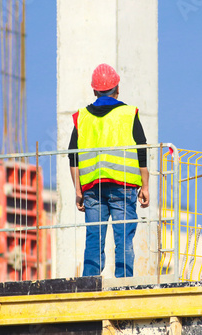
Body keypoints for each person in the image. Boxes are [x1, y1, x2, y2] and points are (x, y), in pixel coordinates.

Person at [68, 63, 149, 278]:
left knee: (94, 238)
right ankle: (124, 287)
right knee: (123, 239)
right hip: (123, 187)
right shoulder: (128, 114)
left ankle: (89, 285)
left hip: (93, 189)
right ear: (118, 89)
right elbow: (142, 150)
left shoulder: (82, 117)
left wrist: (78, 190)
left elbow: (72, 156)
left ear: (94, 90)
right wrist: (146, 187)